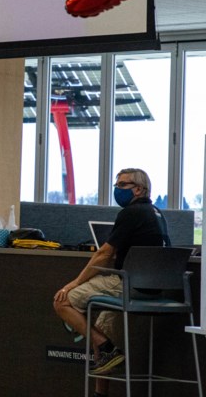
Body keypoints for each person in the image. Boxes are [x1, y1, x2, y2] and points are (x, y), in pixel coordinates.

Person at [53, 168, 169, 397]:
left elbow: (104, 254)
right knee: (104, 328)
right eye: (116, 184)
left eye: (123, 185)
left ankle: (107, 347)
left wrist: (73, 283)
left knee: (63, 301)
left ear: (138, 189)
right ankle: (102, 382)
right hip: (154, 290)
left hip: (131, 286)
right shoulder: (156, 213)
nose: (117, 189)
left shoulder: (130, 213)